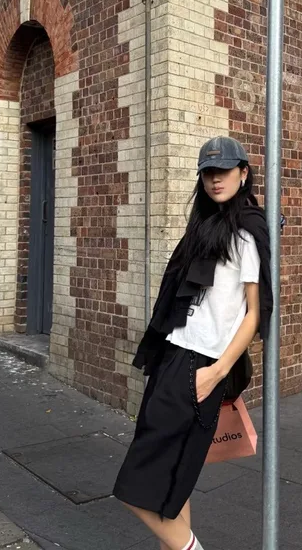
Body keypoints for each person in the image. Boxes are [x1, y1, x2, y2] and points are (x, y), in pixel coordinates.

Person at [113, 136, 273, 550]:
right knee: (172, 482)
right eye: (208, 173)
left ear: (243, 173)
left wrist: (216, 373)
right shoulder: (201, 229)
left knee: (136, 487)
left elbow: (254, 314)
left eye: (224, 171)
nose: (215, 179)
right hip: (173, 355)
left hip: (201, 365)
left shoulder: (246, 233)